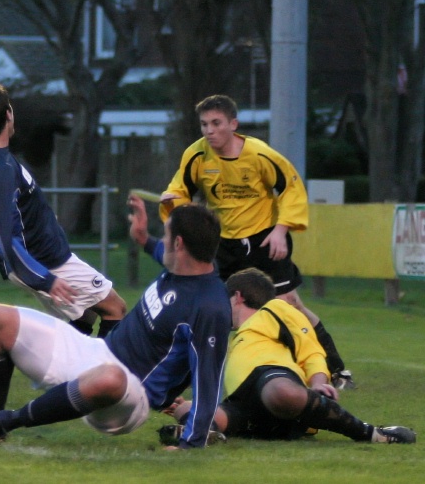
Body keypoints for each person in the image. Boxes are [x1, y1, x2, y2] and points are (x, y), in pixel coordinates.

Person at [0, 203, 232, 449]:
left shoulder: (210, 306)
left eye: (165, 236)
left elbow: (209, 378)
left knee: (111, 377)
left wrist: (191, 443)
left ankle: (6, 421)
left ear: (179, 244)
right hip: (97, 351)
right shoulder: (185, 265)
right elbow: (163, 254)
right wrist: (143, 238)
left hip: (130, 397)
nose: (162, 242)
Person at [138, 94, 354, 389]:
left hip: (264, 238)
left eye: (216, 123)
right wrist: (173, 204)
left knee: (288, 305)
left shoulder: (259, 154)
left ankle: (335, 369)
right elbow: (180, 192)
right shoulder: (197, 155)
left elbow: (291, 188)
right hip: (224, 245)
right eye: (204, 124)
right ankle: (182, 376)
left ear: (233, 124)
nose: (209, 130)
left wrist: (280, 230)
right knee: (215, 308)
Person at [160, 267, 416, 445]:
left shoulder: (274, 308)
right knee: (188, 408)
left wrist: (317, 382)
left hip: (270, 376)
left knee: (282, 392)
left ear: (237, 297)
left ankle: (371, 433)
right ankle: (205, 431)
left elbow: (311, 348)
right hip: (244, 403)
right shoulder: (234, 337)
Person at [0, 81, 126, 338]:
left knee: (84, 316)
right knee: (115, 308)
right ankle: (101, 373)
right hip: (45, 261)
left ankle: (65, 374)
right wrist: (45, 279)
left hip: (42, 258)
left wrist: (39, 220)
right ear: (8, 114)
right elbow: (4, 238)